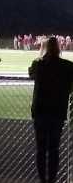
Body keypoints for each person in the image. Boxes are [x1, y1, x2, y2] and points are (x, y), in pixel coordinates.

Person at [28, 37, 73, 183]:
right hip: (57, 111)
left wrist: (41, 54)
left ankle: (42, 180)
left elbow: (31, 73)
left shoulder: (38, 64)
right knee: (54, 149)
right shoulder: (67, 66)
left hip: (40, 111)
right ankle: (51, 180)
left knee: (41, 149)